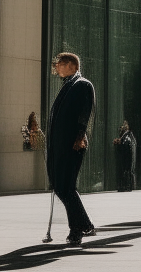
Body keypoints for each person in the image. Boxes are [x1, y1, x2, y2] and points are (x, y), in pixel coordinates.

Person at [47, 52, 96, 246]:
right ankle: (84, 224)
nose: (57, 67)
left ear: (72, 65)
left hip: (72, 143)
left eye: (60, 64)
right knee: (61, 187)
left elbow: (85, 112)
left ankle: (77, 229)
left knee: (65, 187)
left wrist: (80, 136)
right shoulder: (69, 85)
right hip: (60, 145)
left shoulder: (82, 84)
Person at [114, 120, 137, 192]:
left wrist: (119, 144)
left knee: (126, 170)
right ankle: (129, 185)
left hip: (126, 158)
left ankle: (127, 186)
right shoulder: (129, 136)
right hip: (128, 157)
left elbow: (125, 147)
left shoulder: (127, 137)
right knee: (128, 170)